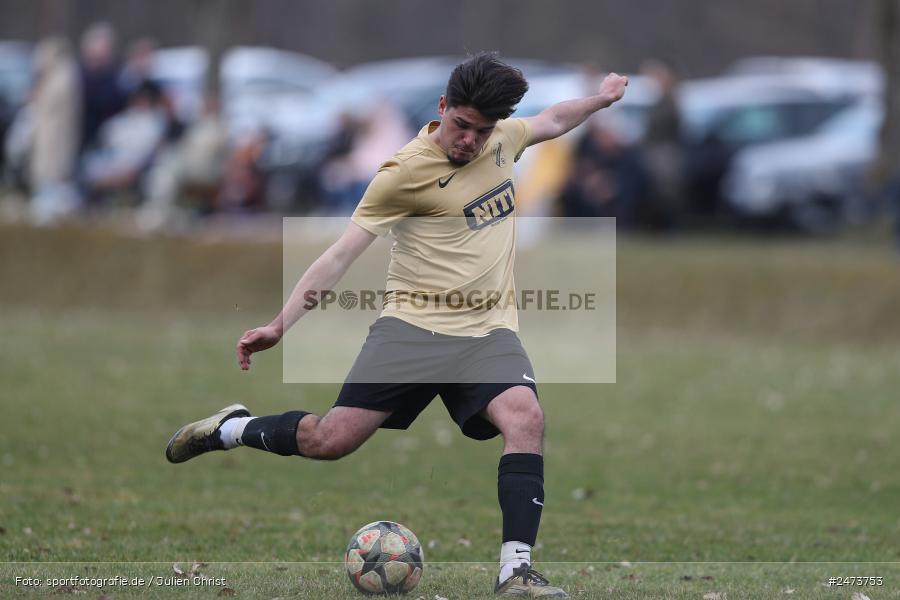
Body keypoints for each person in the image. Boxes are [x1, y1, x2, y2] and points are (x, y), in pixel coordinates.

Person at [166, 52, 627, 597]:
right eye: (460, 126)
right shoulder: (402, 173)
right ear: (441, 108)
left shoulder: (503, 139)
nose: (468, 141)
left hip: (486, 333)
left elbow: (553, 119)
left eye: (480, 132)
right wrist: (278, 326)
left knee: (526, 419)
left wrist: (601, 97)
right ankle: (230, 429)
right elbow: (338, 257)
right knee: (329, 440)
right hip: (409, 331)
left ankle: (515, 573)